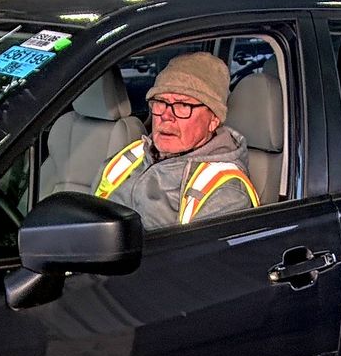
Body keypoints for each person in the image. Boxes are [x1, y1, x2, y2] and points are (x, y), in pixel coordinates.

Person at [95, 52, 259, 229]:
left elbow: (188, 256)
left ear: (213, 120)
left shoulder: (226, 192)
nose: (166, 115)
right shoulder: (130, 156)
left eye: (183, 105)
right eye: (160, 102)